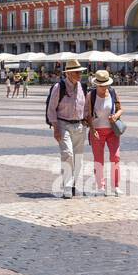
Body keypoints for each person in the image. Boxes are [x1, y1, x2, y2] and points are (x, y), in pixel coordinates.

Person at [46, 59, 88, 199]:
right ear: (69, 73)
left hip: (80, 126)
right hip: (63, 124)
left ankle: (75, 183)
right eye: (77, 72)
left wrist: (87, 122)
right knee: (68, 154)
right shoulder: (60, 86)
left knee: (78, 157)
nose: (80, 74)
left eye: (80, 72)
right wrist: (55, 127)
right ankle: (67, 186)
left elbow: (85, 106)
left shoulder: (82, 86)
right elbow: (51, 108)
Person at [84, 69, 124, 196]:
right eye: (100, 85)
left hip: (112, 130)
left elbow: (120, 109)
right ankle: (100, 186)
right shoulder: (91, 95)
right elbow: (88, 115)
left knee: (115, 157)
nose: (103, 87)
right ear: (96, 84)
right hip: (97, 131)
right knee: (98, 159)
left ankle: (116, 186)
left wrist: (116, 116)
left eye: (105, 84)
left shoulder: (112, 93)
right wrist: (92, 129)